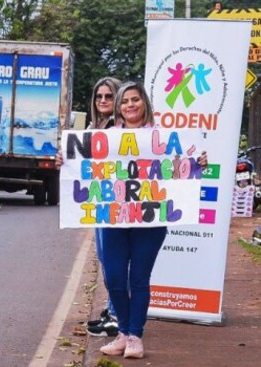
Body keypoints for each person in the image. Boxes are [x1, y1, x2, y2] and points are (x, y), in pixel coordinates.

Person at [57, 81, 207, 359]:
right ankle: (123, 332)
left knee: (138, 278)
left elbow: (180, 166)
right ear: (118, 108)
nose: (130, 105)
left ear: (145, 104)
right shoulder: (106, 137)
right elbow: (83, 167)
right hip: (112, 218)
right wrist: (64, 160)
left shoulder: (162, 138)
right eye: (125, 101)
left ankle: (135, 336)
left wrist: (197, 162)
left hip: (149, 219)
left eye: (135, 100)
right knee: (114, 277)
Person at [57, 77, 122, 337]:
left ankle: (118, 315)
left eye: (109, 96)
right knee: (107, 261)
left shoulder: (123, 128)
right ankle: (112, 309)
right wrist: (64, 157)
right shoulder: (96, 127)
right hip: (99, 202)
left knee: (115, 262)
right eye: (99, 97)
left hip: (119, 203)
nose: (104, 101)